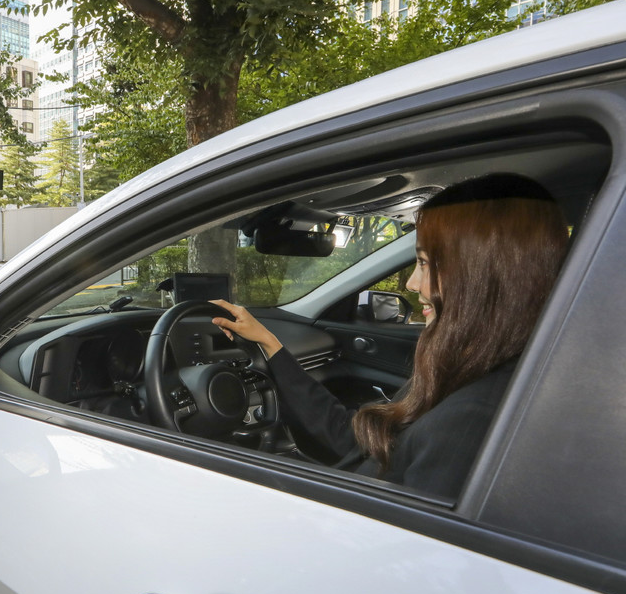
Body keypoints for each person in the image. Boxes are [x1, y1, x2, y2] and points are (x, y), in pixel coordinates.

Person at [211, 173, 569, 498]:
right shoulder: (475, 372)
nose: (413, 284)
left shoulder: (468, 422)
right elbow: (357, 441)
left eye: (426, 263)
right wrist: (271, 344)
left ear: (482, 277)